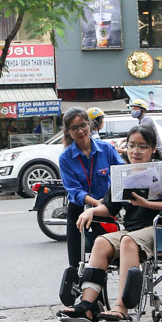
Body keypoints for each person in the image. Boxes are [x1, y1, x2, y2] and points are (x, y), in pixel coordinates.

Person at [57, 125, 162, 322]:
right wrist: (92, 210)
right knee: (101, 242)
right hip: (133, 231)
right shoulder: (123, 174)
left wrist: (147, 204)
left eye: (142, 147)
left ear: (153, 149)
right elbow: (109, 208)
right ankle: (86, 305)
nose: (136, 151)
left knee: (128, 240)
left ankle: (122, 307)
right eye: (132, 145)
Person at [58, 108, 125, 272]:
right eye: (74, 128)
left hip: (105, 208)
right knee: (75, 261)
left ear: (89, 125)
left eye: (83, 125)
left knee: (107, 256)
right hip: (79, 210)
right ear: (68, 131)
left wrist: (109, 202)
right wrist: (95, 202)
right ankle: (79, 288)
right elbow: (74, 190)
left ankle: (99, 290)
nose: (80, 131)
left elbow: (121, 175)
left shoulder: (106, 149)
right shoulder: (65, 158)